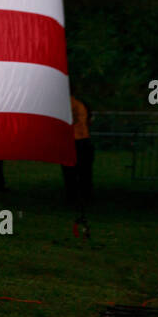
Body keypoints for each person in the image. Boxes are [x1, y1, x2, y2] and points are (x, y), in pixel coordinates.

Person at [62, 94, 94, 229]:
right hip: (84, 139)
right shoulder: (82, 103)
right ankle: (86, 195)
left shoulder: (63, 103)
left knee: (69, 171)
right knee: (85, 170)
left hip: (70, 140)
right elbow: (89, 120)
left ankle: (72, 196)